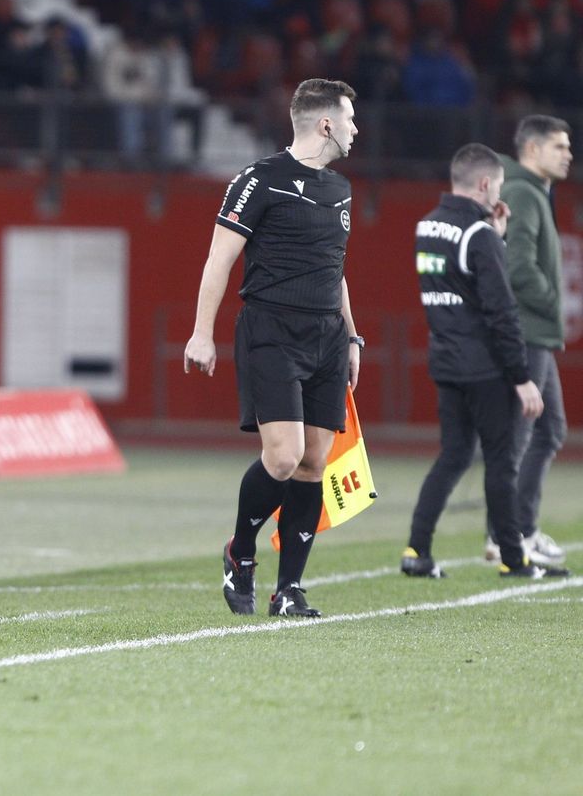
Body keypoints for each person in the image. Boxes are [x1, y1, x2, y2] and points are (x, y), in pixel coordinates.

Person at [184, 78, 362, 618]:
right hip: (272, 331)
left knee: (313, 463)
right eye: (350, 119)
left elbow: (336, 270)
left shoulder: (340, 189)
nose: (357, 129)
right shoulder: (258, 179)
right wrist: (200, 332)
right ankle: (240, 553)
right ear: (326, 123)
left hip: (328, 336)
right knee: (281, 458)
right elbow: (219, 259)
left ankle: (290, 591)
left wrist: (351, 335)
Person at [402, 144, 567, 580]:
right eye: (496, 185)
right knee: (501, 462)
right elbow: (501, 311)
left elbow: (456, 285)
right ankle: (515, 558)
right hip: (486, 367)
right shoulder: (481, 236)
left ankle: (416, 549)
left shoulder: (427, 226)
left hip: (445, 358)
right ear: (483, 184)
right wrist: (522, 377)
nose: (498, 193)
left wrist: (494, 233)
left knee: (453, 456)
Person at [492, 115, 574, 568]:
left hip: (536, 330)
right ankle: (511, 535)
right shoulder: (524, 191)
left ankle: (518, 527)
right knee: (525, 435)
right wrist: (551, 302)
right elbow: (518, 265)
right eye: (559, 146)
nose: (568, 154)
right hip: (529, 331)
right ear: (533, 150)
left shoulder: (532, 190)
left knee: (547, 430)